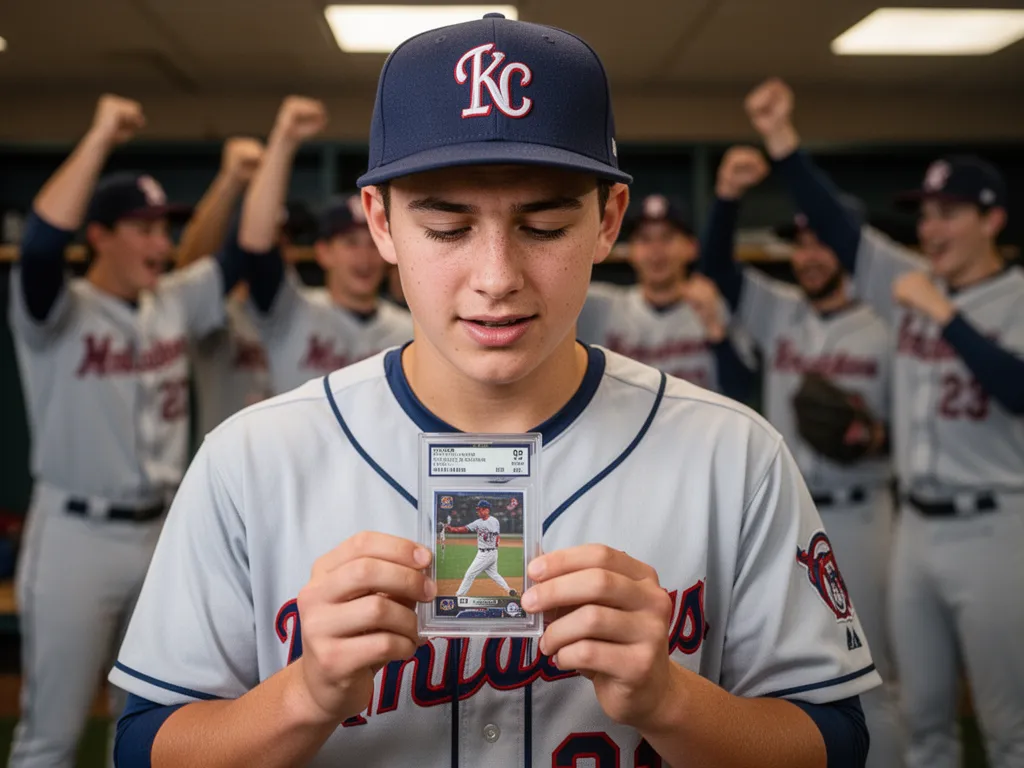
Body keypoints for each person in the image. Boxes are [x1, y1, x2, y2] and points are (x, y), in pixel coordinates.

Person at [110, 16, 878, 767]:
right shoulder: (252, 458)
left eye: (543, 227)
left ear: (609, 220)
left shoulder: (733, 451)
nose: (497, 278)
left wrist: (669, 701)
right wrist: (304, 696)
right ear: (380, 223)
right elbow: (143, 746)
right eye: (447, 228)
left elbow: (836, 740)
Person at [745, 77, 1024, 768]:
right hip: (914, 529)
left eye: (948, 213)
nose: (930, 229)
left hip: (999, 525)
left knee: (1008, 723)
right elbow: (839, 229)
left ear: (992, 220)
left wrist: (945, 316)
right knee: (921, 713)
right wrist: (782, 141)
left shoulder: (1003, 296)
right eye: (924, 215)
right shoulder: (910, 280)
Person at [7, 94, 244, 768]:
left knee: (140, 728)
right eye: (139, 228)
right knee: (50, 734)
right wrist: (102, 133)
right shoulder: (54, 308)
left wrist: (230, 180)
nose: (158, 242)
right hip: (75, 536)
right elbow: (43, 243)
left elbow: (236, 257)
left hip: (161, 532)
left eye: (160, 228)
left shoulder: (170, 301)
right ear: (101, 236)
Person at [702, 145, 903, 768]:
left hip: (863, 510)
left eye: (822, 242)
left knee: (873, 675)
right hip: (794, 514)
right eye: (800, 243)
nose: (809, 255)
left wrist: (875, 439)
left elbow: (908, 431)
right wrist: (728, 198)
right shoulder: (779, 310)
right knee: (793, 684)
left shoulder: (888, 322)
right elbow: (716, 268)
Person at [234, 97, 413, 394]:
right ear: (323, 253)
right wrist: (284, 139)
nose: (364, 256)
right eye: (350, 242)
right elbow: (257, 242)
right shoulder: (291, 312)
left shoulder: (409, 329)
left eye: (372, 243)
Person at [577, 193, 754, 398]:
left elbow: (742, 391)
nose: (656, 251)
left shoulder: (712, 305)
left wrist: (717, 332)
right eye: (645, 239)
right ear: (630, 251)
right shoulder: (602, 307)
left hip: (694, 428)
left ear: (691, 248)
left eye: (667, 237)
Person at [175, 137, 273, 437]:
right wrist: (229, 182)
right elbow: (191, 271)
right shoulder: (220, 312)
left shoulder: (309, 310)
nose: (270, 242)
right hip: (229, 473)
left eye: (281, 235)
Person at [446, 500, 516, 597]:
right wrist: (453, 529)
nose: (478, 512)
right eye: (478, 510)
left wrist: (491, 542)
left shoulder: (494, 521)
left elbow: (495, 536)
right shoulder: (478, 522)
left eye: (480, 510)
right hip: (490, 553)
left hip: (486, 554)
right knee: (494, 574)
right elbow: (466, 528)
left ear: (487, 510)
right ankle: (509, 590)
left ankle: (459, 595)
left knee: (470, 574)